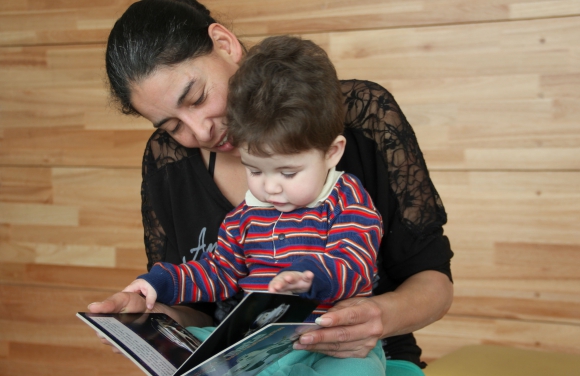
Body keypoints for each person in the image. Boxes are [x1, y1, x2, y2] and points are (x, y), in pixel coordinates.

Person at [88, 1, 454, 375]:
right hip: (248, 355)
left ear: (225, 44)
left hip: (346, 351)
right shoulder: (221, 199)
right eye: (171, 126)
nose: (199, 132)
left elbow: (424, 277)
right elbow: (211, 279)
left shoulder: (355, 139)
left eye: (197, 98)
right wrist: (153, 309)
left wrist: (368, 310)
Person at [122, 35, 386, 375]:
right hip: (256, 345)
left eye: (289, 172)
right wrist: (161, 284)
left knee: (359, 372)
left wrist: (311, 278)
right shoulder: (244, 217)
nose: (270, 187)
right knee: (186, 355)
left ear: (331, 152)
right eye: (254, 169)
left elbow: (353, 262)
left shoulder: (345, 199)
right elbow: (218, 272)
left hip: (329, 344)